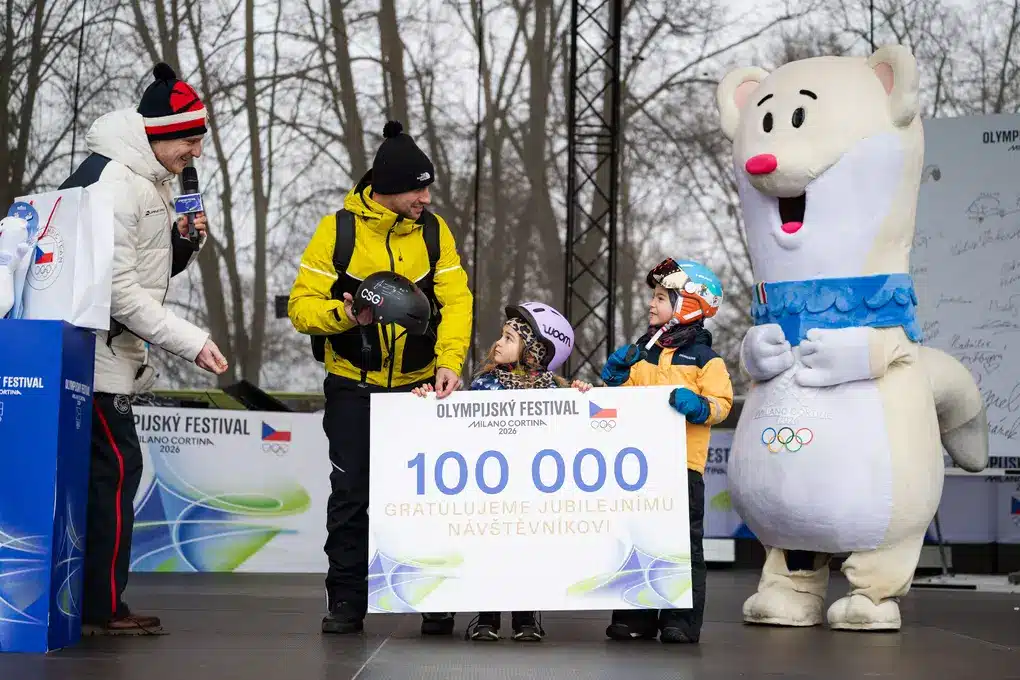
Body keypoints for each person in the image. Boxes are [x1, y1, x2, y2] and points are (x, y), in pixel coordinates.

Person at [59, 62, 229, 635]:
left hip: (117, 353)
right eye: (189, 138)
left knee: (109, 474)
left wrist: (186, 245)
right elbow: (119, 291)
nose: (196, 151)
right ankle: (100, 608)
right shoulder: (114, 185)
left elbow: (148, 270)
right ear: (155, 133)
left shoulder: (151, 178)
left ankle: (91, 604)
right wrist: (193, 341)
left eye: (200, 137)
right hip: (95, 354)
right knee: (112, 473)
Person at [288, 120, 473, 637]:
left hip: (418, 389)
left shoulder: (435, 233)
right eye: (418, 187)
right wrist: (345, 317)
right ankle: (346, 603)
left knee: (429, 496)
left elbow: (457, 303)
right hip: (352, 385)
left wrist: (449, 361)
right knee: (352, 497)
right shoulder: (337, 230)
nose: (426, 196)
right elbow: (302, 308)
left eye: (427, 186)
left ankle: (436, 600)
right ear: (388, 189)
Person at [413, 302, 591, 642]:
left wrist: (581, 397)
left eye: (509, 338)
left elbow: (575, 432)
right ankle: (487, 617)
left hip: (532, 490)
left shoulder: (555, 390)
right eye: (500, 336)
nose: (498, 343)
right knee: (489, 548)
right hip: (490, 488)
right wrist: (426, 403)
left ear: (534, 350)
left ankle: (526, 618)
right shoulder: (483, 385)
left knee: (528, 549)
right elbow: (455, 423)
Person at [600, 257, 733, 644]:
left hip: (683, 468)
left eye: (661, 297)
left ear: (690, 303)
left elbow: (721, 405)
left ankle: (681, 619)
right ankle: (635, 616)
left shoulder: (707, 360)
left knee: (684, 545)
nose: (651, 304)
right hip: (640, 467)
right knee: (639, 537)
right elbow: (617, 403)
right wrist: (614, 378)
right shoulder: (642, 354)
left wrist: (698, 406)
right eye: (653, 297)